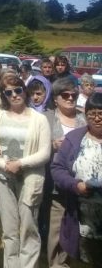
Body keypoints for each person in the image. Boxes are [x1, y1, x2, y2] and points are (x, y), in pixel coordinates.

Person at [0, 75, 51, 268]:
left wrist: (20, 163)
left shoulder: (39, 119)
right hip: (4, 178)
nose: (14, 95)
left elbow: (45, 153)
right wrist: (3, 164)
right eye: (9, 92)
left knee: (29, 227)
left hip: (30, 179)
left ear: (25, 90)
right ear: (4, 95)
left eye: (18, 90)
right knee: (10, 230)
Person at [50, 92, 102, 265]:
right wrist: (75, 185)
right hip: (82, 220)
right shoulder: (74, 138)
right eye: (92, 114)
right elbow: (57, 169)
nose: (97, 119)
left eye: (101, 114)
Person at [44, 77, 87, 268]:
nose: (70, 98)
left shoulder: (84, 119)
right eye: (65, 95)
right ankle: (55, 263)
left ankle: (69, 261)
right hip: (54, 184)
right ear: (55, 98)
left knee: (74, 228)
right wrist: (52, 145)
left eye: (74, 95)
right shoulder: (46, 118)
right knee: (55, 228)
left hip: (80, 184)